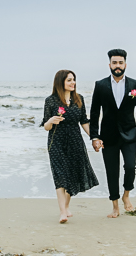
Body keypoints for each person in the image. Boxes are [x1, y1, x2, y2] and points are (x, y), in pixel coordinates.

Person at [89, 48, 136, 218]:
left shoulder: (134, 85)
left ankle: (126, 195)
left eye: (120, 62)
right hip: (108, 136)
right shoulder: (100, 85)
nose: (117, 66)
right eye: (114, 62)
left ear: (125, 64)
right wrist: (94, 137)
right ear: (109, 64)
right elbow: (94, 113)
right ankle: (115, 206)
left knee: (130, 167)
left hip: (130, 133)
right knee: (111, 171)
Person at [41, 69, 99, 223]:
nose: (73, 83)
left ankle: (66, 206)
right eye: (69, 80)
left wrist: (94, 137)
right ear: (61, 82)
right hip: (56, 142)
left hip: (75, 141)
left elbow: (84, 121)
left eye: (74, 80)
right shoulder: (51, 101)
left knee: (72, 174)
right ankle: (62, 213)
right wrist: (51, 121)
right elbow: (45, 126)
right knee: (60, 176)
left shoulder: (79, 99)